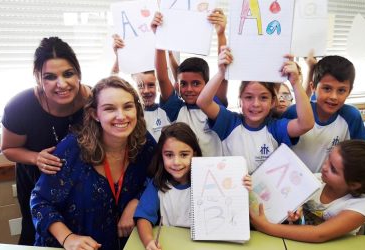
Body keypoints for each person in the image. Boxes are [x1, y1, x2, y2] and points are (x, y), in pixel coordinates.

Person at [30, 76, 156, 250]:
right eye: (109, 109)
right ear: (95, 114)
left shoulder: (144, 142)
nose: (121, 116)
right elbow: (40, 201)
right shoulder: (73, 149)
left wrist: (137, 201)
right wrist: (68, 238)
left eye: (128, 106)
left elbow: (158, 177)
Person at [0, 37, 91, 245]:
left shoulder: (91, 100)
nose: (62, 84)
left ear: (78, 73)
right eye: (50, 77)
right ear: (38, 79)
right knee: (37, 234)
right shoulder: (20, 106)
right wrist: (35, 157)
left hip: (79, 184)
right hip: (37, 181)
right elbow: (8, 148)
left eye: (68, 73)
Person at [133, 122, 252, 250]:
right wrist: (148, 241)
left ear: (194, 154)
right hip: (172, 244)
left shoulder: (212, 180)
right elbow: (143, 217)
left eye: (184, 155)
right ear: (161, 156)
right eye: (169, 155)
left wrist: (242, 188)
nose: (176, 162)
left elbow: (234, 211)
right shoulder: (158, 184)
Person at [196, 46, 314, 174]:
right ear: (240, 99)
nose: (256, 104)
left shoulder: (275, 128)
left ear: (273, 102)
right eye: (248, 97)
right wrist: (221, 73)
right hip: (232, 190)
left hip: (264, 192)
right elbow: (203, 102)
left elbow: (306, 124)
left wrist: (295, 82)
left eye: (263, 98)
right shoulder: (229, 122)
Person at [250, 140, 365, 242]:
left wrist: (265, 227)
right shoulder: (315, 180)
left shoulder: (361, 206)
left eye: (333, 169)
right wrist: (295, 219)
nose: (325, 167)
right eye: (328, 159)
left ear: (354, 184)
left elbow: (319, 234)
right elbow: (298, 221)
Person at [151, 9, 228, 156]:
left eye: (196, 83)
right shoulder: (176, 109)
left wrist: (220, 34)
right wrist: (159, 38)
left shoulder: (216, 105)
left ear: (208, 84)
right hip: (182, 174)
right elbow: (162, 78)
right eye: (184, 84)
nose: (189, 89)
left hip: (212, 174)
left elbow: (223, 72)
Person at [283, 55, 365, 173]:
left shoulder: (352, 116)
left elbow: (362, 157)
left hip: (329, 186)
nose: (333, 97)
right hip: (293, 184)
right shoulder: (294, 112)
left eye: (341, 90)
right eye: (327, 88)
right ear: (313, 87)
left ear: (349, 91)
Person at [111, 34, 171, 142]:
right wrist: (118, 56)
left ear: (158, 86)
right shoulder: (130, 112)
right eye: (140, 86)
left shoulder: (165, 111)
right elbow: (110, 86)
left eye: (151, 85)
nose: (146, 91)